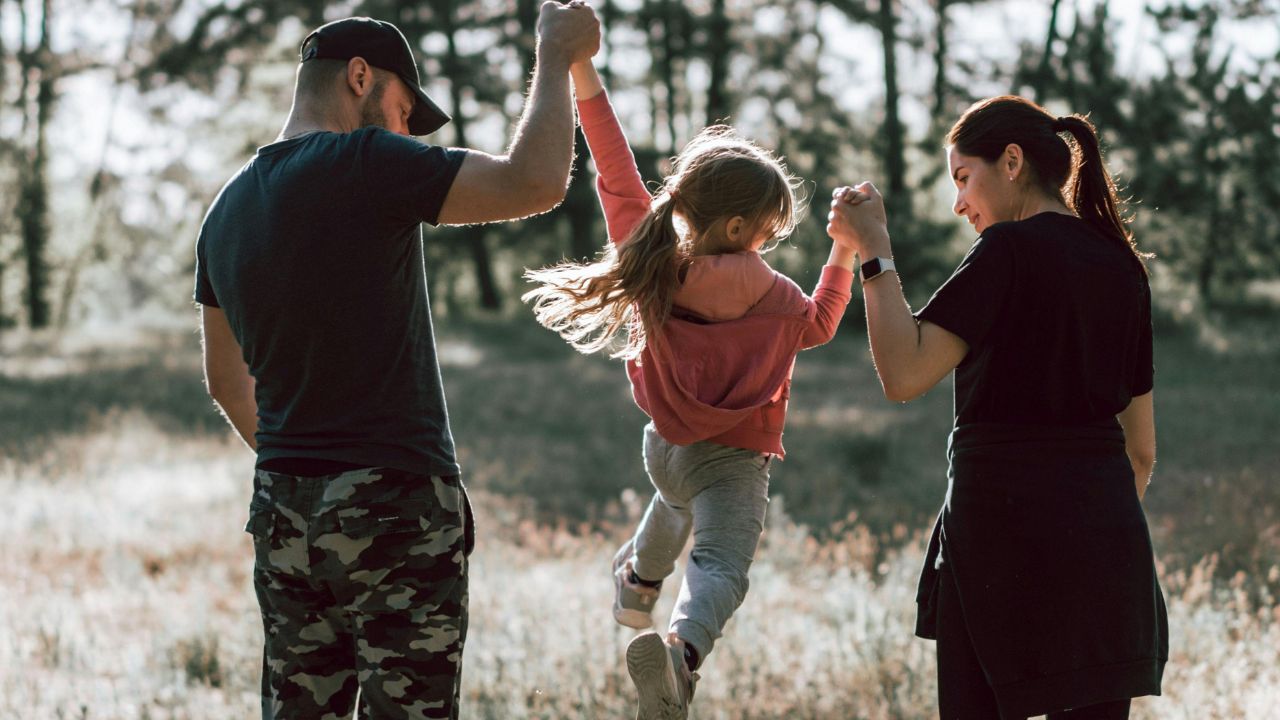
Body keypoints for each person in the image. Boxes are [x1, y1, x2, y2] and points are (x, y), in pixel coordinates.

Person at [193, 7, 600, 719]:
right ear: (359, 78)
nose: (408, 133)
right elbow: (536, 181)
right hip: (393, 507)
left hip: (285, 511)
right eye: (405, 109)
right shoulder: (365, 162)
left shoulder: (224, 211)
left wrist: (313, 467)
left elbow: (227, 385)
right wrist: (556, 51)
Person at [522, 59, 857, 720]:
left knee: (674, 500)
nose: (767, 241)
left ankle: (638, 580)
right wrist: (842, 252)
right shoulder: (781, 297)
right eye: (766, 230)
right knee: (719, 566)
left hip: (666, 451)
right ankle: (681, 653)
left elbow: (615, 175)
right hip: (729, 463)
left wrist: (583, 71)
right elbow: (819, 326)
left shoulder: (653, 267)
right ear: (738, 229)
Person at [826, 95, 1167, 719]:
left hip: (997, 545)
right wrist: (1087, 532)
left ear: (1011, 162)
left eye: (963, 178)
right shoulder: (1124, 269)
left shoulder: (1007, 251)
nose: (959, 203)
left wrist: (873, 250)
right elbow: (1141, 452)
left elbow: (903, 374)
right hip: (1104, 549)